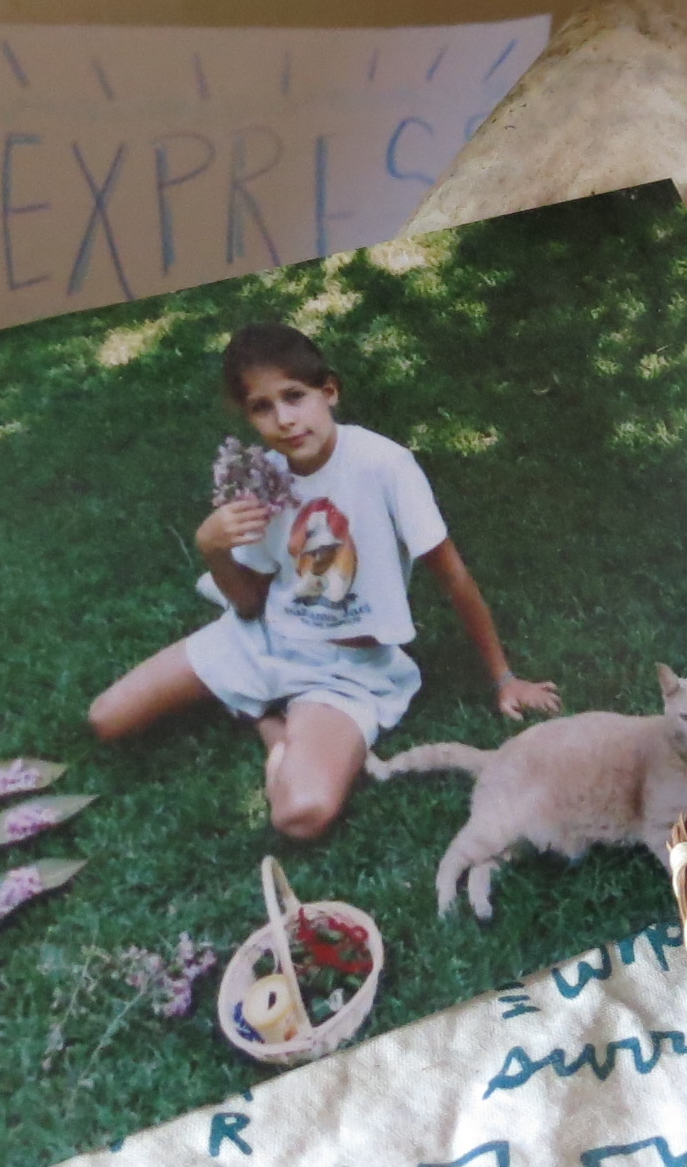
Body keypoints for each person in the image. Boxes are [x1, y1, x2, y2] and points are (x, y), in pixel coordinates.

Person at [88, 323, 561, 838]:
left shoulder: (385, 466)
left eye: (295, 396)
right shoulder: (262, 477)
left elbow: (454, 578)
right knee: (106, 720)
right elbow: (247, 604)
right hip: (266, 639)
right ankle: (260, 701)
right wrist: (213, 549)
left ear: (329, 391)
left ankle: (267, 722)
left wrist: (504, 678)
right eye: (262, 407)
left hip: (345, 672)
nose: (284, 419)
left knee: (301, 814)